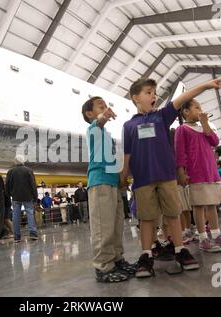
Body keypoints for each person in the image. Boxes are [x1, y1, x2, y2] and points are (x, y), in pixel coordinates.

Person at [121, 78, 221, 276]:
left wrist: (204, 85)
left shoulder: (162, 116)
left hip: (166, 176)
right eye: (148, 92)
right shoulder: (128, 126)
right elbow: (127, 154)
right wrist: (124, 175)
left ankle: (180, 249)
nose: (154, 95)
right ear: (135, 97)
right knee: (146, 218)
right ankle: (146, 255)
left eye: (154, 92)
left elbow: (182, 98)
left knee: (173, 214)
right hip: (142, 180)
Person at [82, 96, 135, 283]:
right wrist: (104, 116)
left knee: (115, 226)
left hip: (112, 182)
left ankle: (117, 259)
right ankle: (103, 266)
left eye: (106, 105)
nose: (106, 108)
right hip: (100, 182)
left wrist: (122, 178)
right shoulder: (93, 129)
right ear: (90, 114)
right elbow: (100, 121)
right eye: (100, 106)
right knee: (103, 227)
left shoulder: (106, 135)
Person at [175, 99, 221, 253]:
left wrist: (205, 124)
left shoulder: (204, 128)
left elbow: (215, 142)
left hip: (211, 172)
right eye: (197, 107)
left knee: (212, 204)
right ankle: (203, 237)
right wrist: (181, 172)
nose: (200, 110)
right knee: (198, 206)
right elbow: (180, 152)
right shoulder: (182, 129)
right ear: (186, 111)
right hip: (196, 173)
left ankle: (216, 234)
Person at [6, 155, 39, 243]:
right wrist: (35, 198)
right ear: (23, 161)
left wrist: (9, 194)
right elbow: (33, 185)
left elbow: (7, 185)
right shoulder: (29, 170)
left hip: (16, 197)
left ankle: (17, 237)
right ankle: (33, 234)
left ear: (15, 162)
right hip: (28, 197)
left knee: (15, 216)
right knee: (30, 214)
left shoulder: (10, 171)